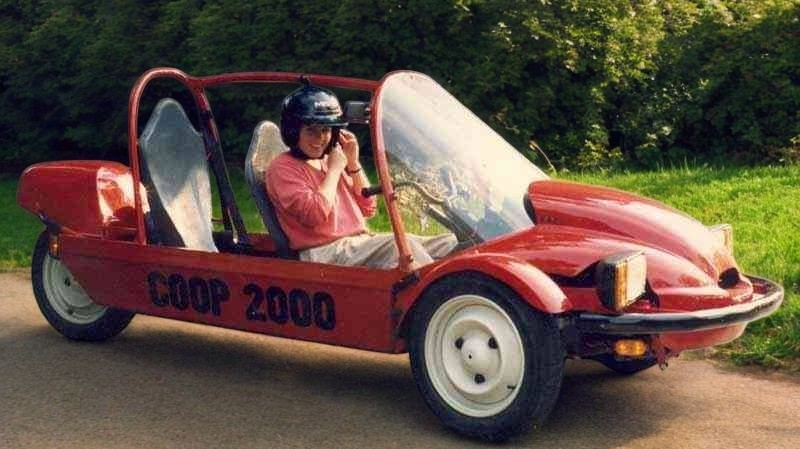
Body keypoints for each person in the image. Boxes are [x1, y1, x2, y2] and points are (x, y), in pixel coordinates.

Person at [266, 82, 456, 269]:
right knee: (404, 248)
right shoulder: (282, 168)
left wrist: (353, 163)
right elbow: (314, 214)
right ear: (293, 131)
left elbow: (368, 207)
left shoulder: (329, 159)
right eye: (311, 130)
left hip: (355, 244)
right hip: (324, 251)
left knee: (449, 243)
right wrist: (334, 171)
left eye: (325, 130)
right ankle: (438, 287)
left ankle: (460, 282)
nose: (320, 138)